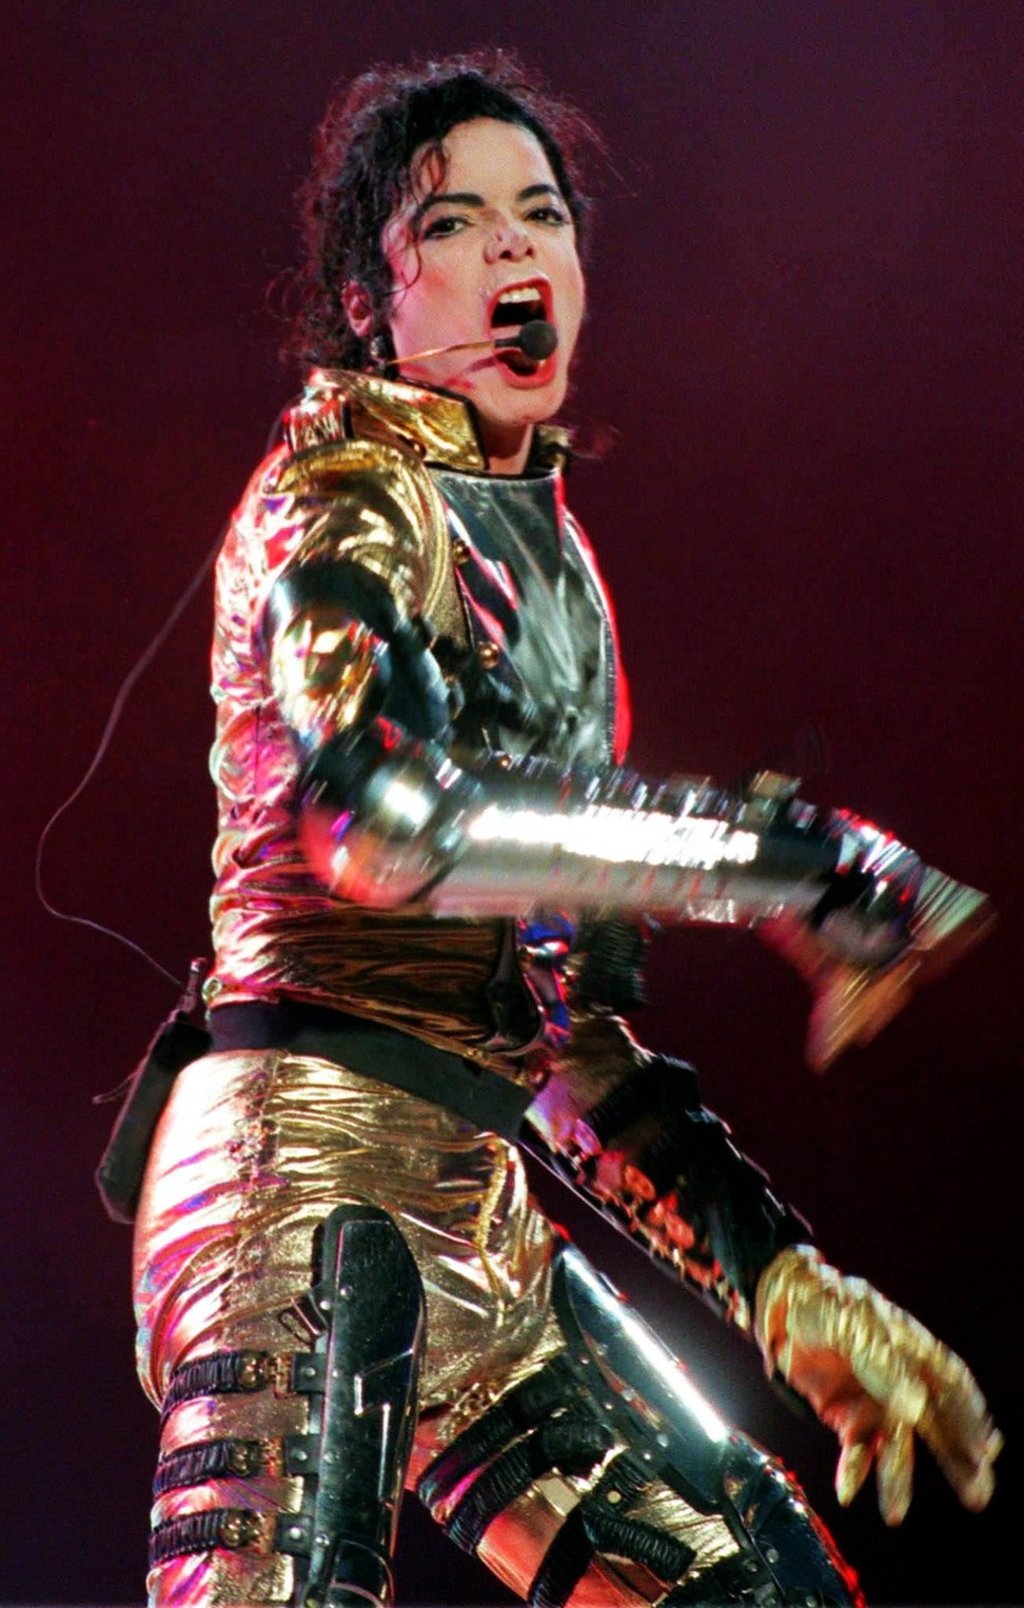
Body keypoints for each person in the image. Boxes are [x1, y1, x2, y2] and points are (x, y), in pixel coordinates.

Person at [131, 52, 1000, 1608]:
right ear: (366, 300)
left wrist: (783, 1282)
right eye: (457, 225)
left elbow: (565, 1033)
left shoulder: (560, 585)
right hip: (297, 1171)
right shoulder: (346, 490)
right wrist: (773, 865)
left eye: (544, 215)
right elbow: (386, 826)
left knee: (769, 1590)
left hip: (477, 1213)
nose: (517, 252)